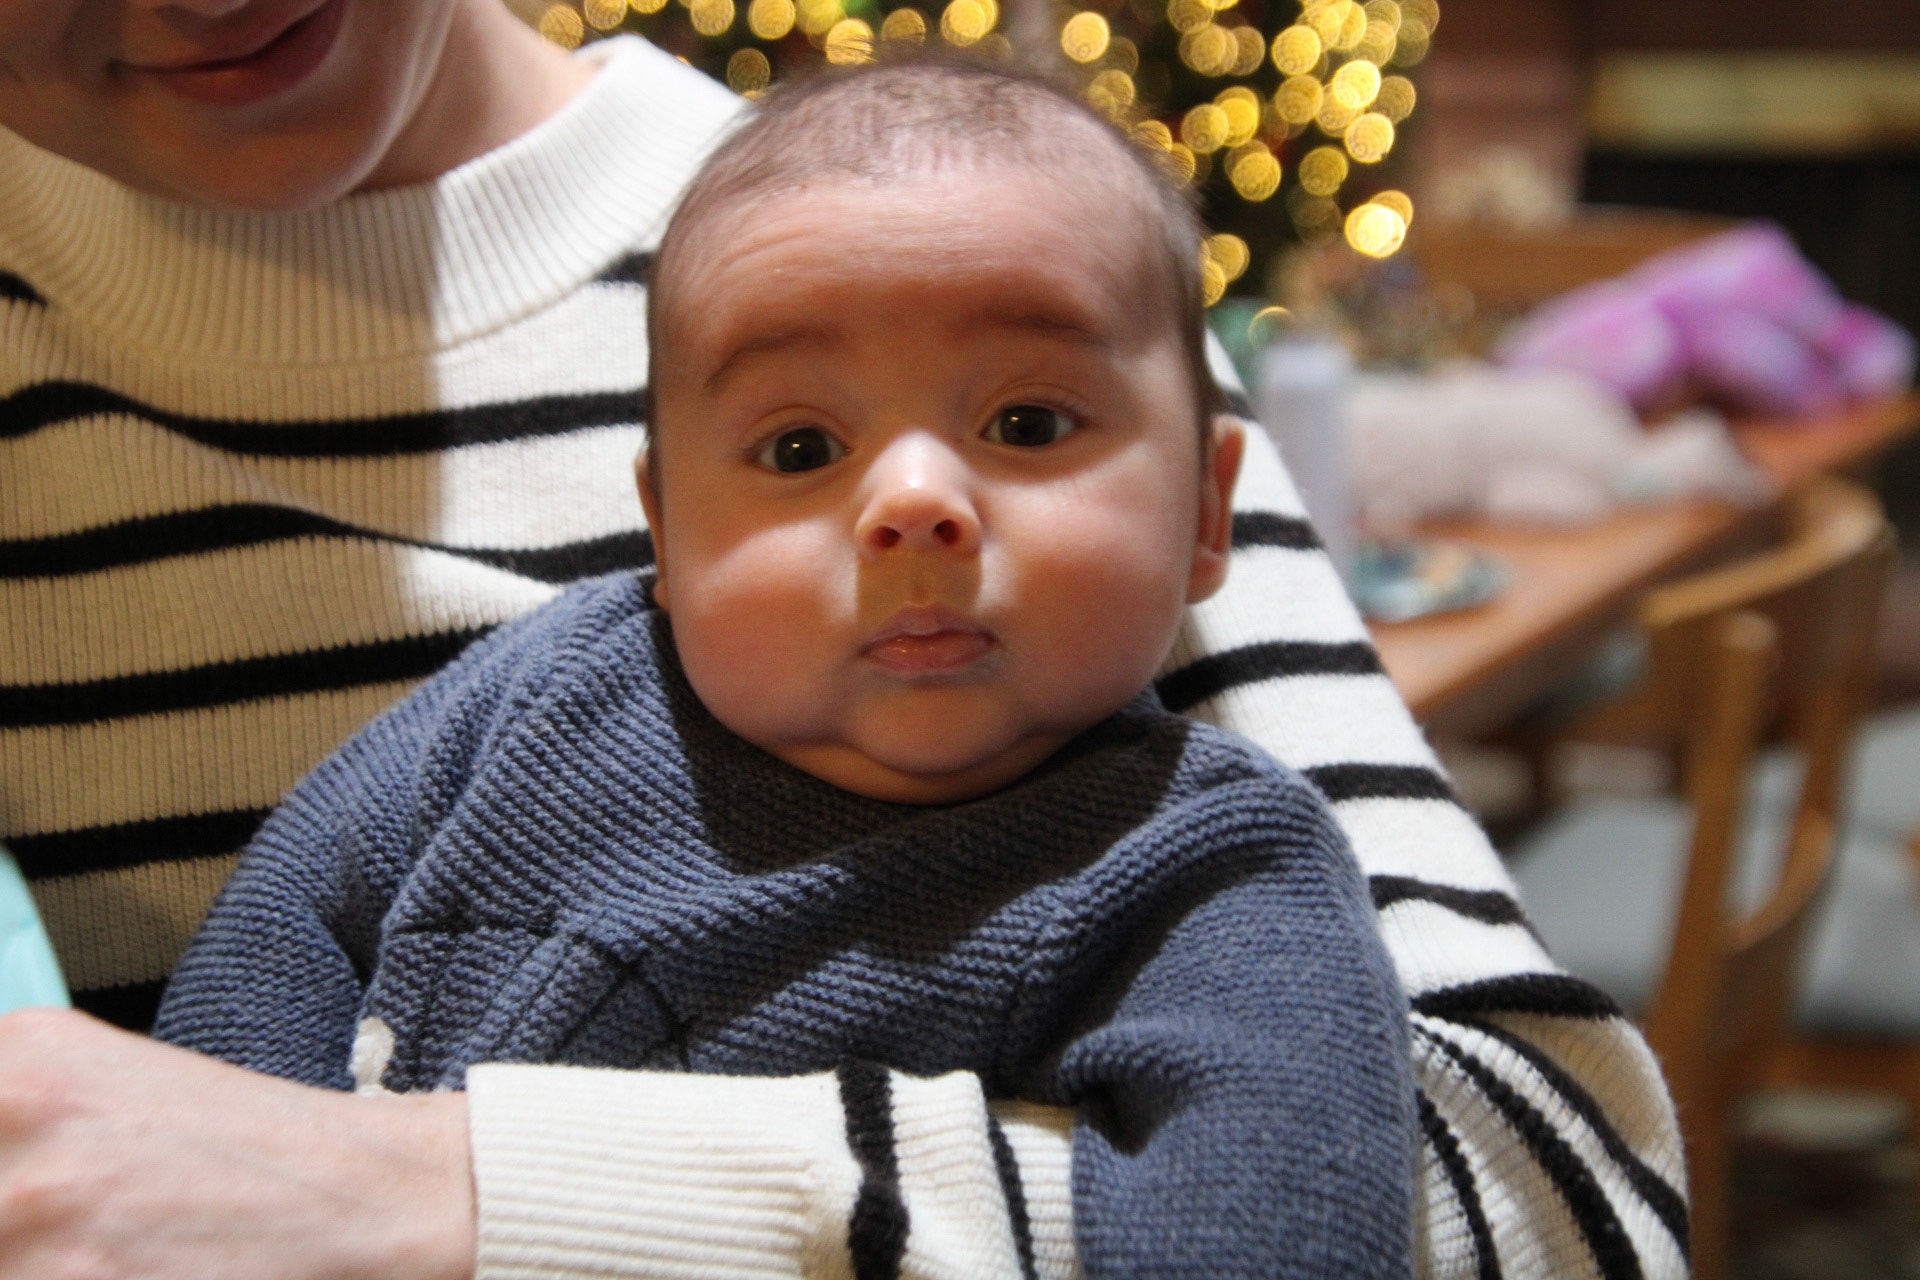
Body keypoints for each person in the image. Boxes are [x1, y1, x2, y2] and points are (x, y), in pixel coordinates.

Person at [0, 0, 1688, 1276]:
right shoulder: (547, 693)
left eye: (1023, 426)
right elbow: (292, 926)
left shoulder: (984, 241)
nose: (918, 504)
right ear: (660, 528)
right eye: (799, 450)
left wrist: (467, 1202)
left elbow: (1559, 1193)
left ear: (1203, 515)